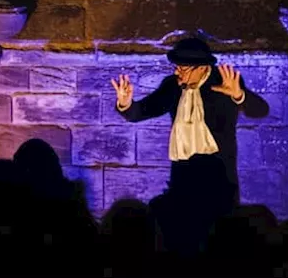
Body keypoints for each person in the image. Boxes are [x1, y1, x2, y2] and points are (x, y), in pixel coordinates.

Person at [109, 36, 268, 202]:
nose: (177, 72)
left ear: (201, 68)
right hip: (182, 173)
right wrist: (125, 103)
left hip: (218, 174)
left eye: (183, 69)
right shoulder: (172, 85)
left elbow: (261, 110)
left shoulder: (224, 82)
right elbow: (142, 111)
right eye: (176, 67)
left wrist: (239, 95)